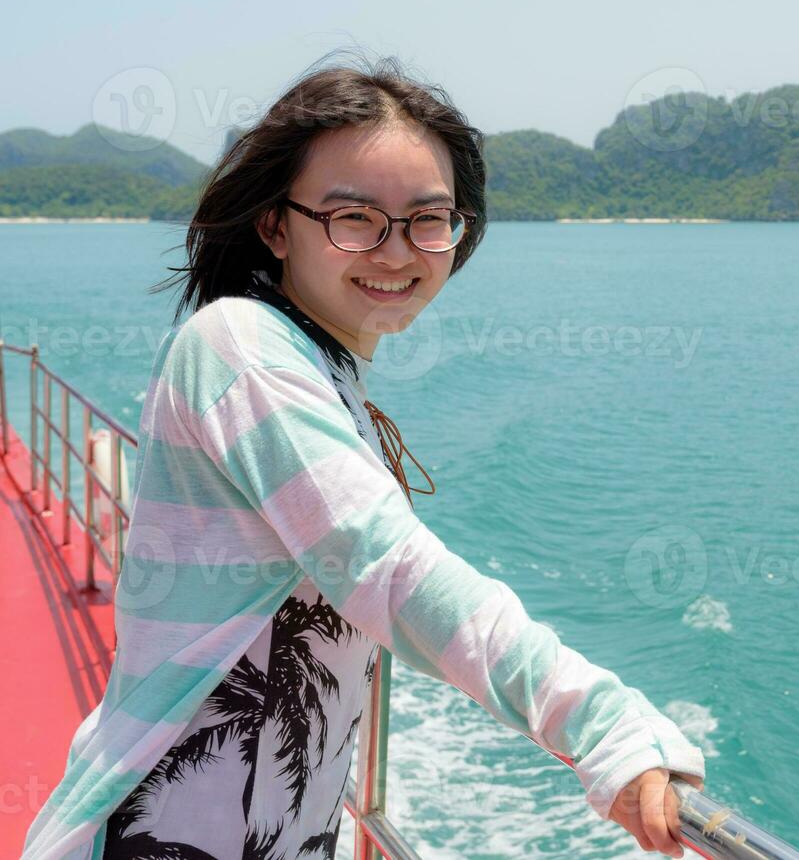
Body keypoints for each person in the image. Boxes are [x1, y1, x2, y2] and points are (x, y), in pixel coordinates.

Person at [22, 55, 704, 859]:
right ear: (276, 224)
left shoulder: (323, 364)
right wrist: (601, 723)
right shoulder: (236, 345)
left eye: (429, 218)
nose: (396, 251)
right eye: (354, 218)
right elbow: (383, 563)